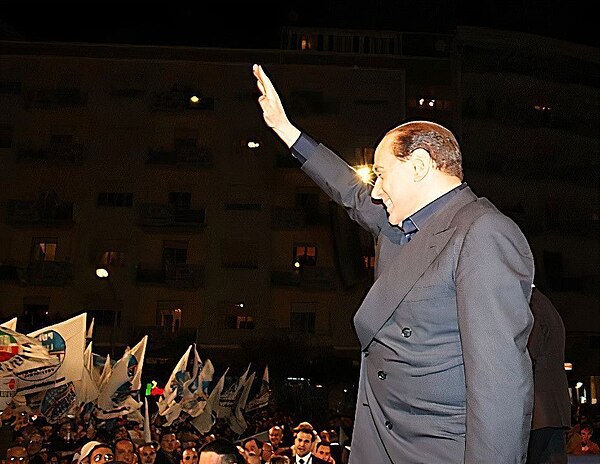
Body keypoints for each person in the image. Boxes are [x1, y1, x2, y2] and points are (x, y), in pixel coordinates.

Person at [253, 63, 536, 463]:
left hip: (435, 449)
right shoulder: (398, 225)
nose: (377, 188)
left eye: (383, 174)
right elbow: (349, 192)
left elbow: (500, 384)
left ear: (419, 166)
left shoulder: (482, 233)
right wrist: (285, 129)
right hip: (382, 437)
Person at [526, 286, 572, 464]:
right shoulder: (546, 305)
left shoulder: (532, 307)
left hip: (540, 408)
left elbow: (529, 353)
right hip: (555, 407)